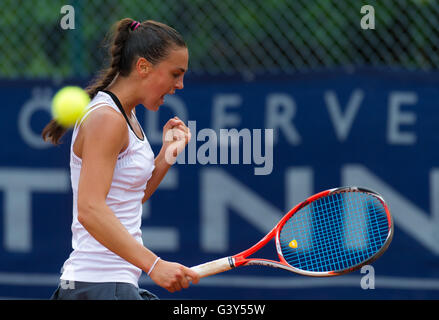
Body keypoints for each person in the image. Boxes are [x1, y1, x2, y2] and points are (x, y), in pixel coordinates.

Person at [42, 18, 199, 300]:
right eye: (175, 74)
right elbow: (90, 209)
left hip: (107, 285)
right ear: (143, 67)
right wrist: (154, 265)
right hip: (99, 285)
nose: (181, 84)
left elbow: (125, 201)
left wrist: (166, 155)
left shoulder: (126, 117)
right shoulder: (107, 119)